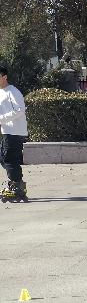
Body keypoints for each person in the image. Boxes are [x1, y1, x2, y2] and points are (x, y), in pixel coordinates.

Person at [0, 65, 29, 201]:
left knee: (10, 159)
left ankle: (17, 188)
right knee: (4, 158)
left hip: (15, 132)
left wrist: (1, 119)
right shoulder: (1, 92)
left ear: (4, 77)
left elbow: (20, 110)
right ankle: (16, 184)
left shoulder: (13, 91)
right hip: (7, 131)